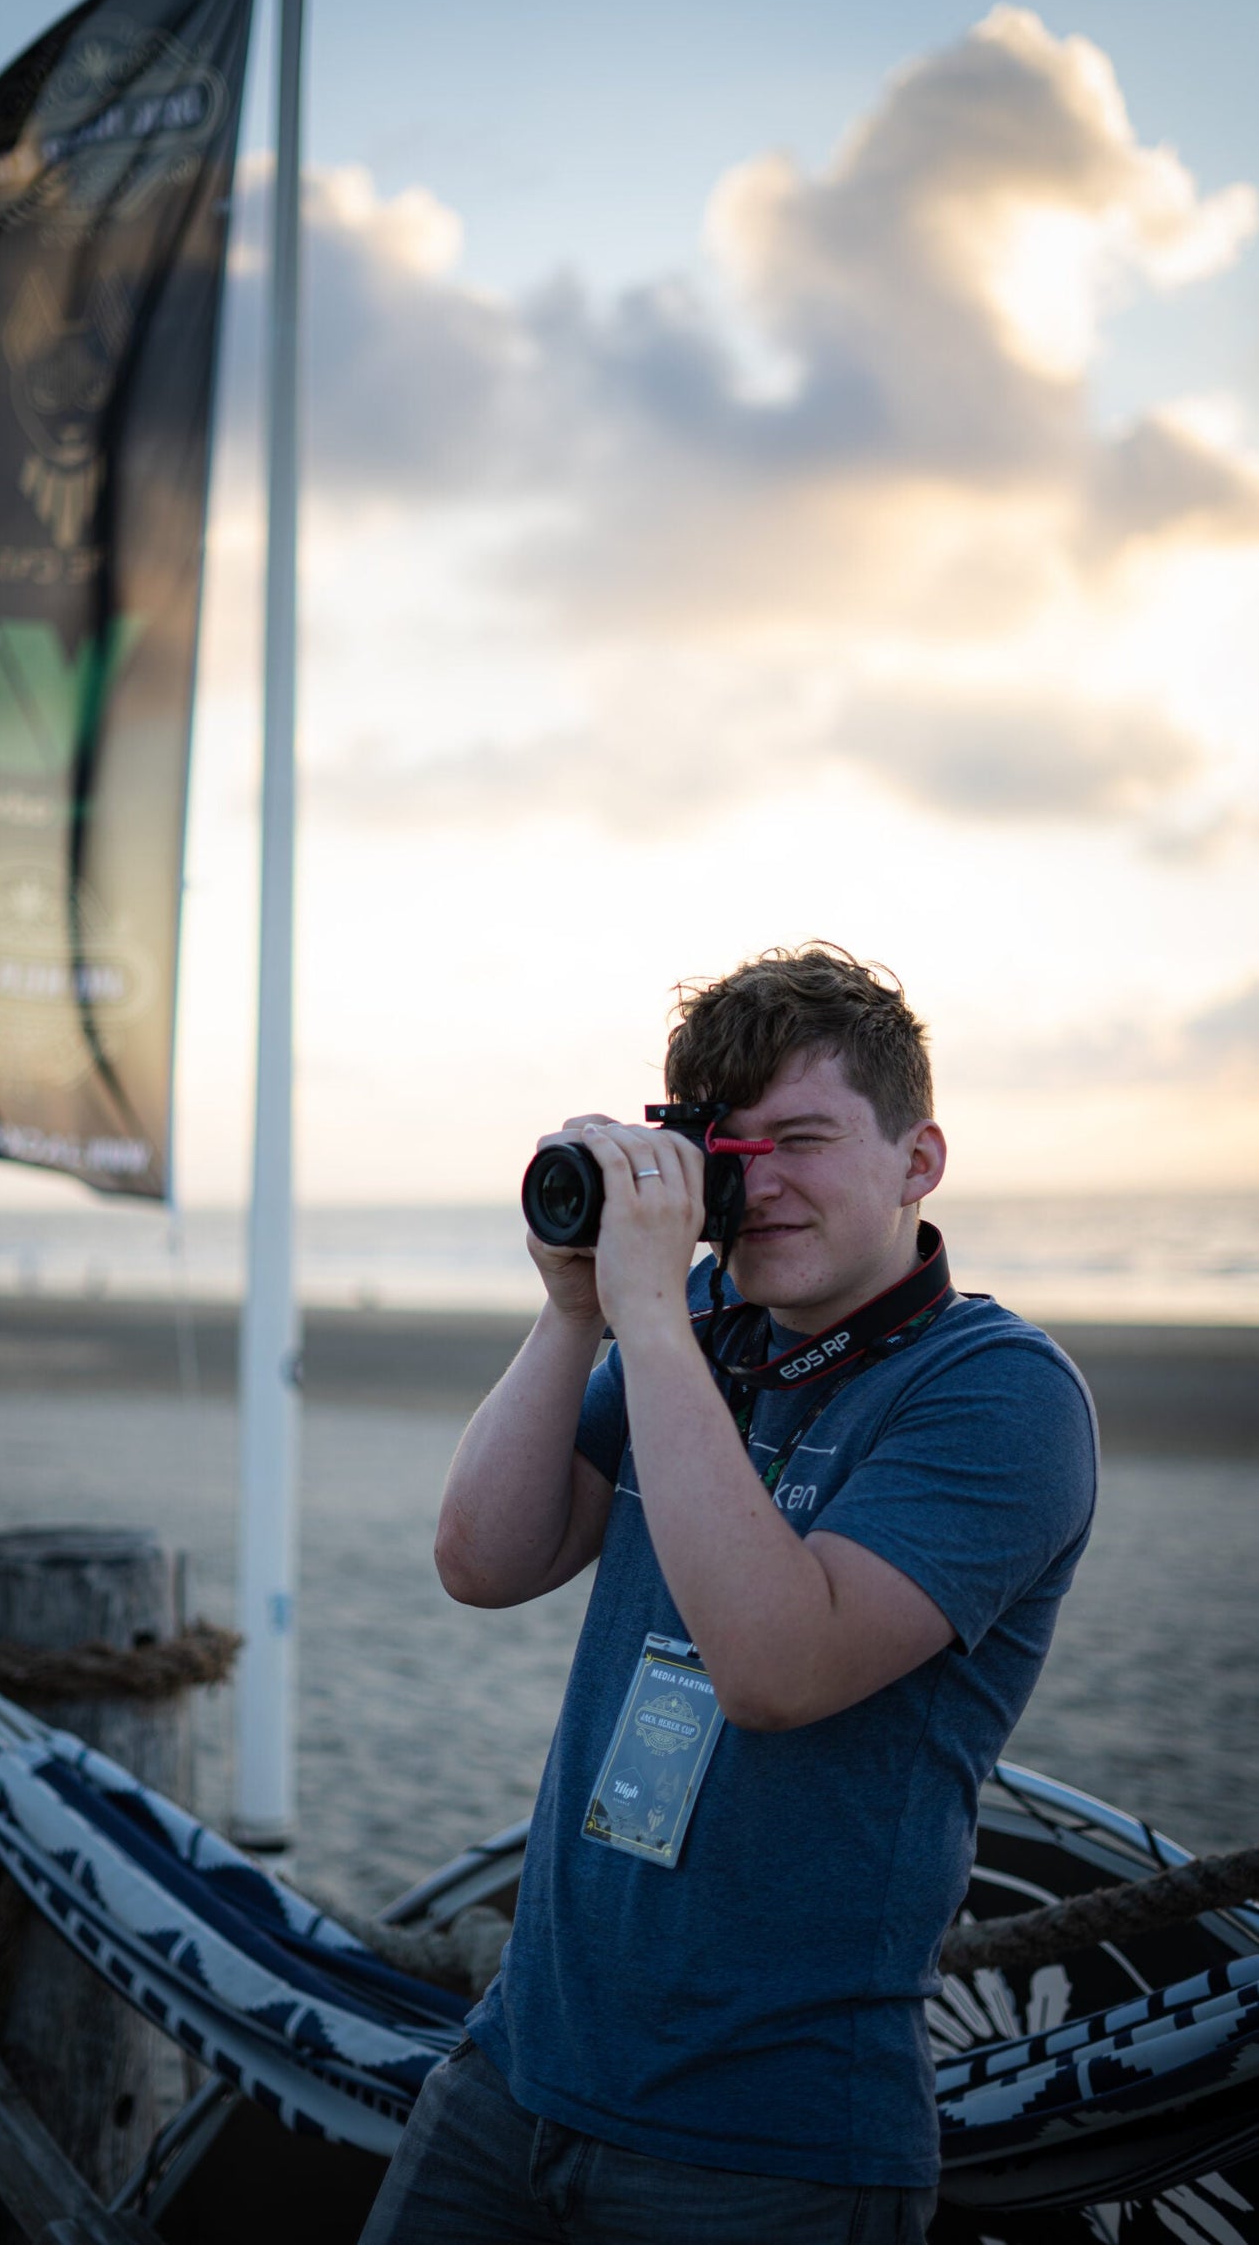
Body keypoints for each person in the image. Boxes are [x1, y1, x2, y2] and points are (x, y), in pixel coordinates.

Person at [361, 944, 1097, 2245]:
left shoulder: (998, 1394)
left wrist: (649, 1321)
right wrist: (577, 1307)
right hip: (518, 2069)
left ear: (919, 1161)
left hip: (768, 2140)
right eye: (725, 1145)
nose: (755, 1184)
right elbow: (485, 1560)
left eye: (801, 1139)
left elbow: (776, 1668)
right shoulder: (694, 1325)